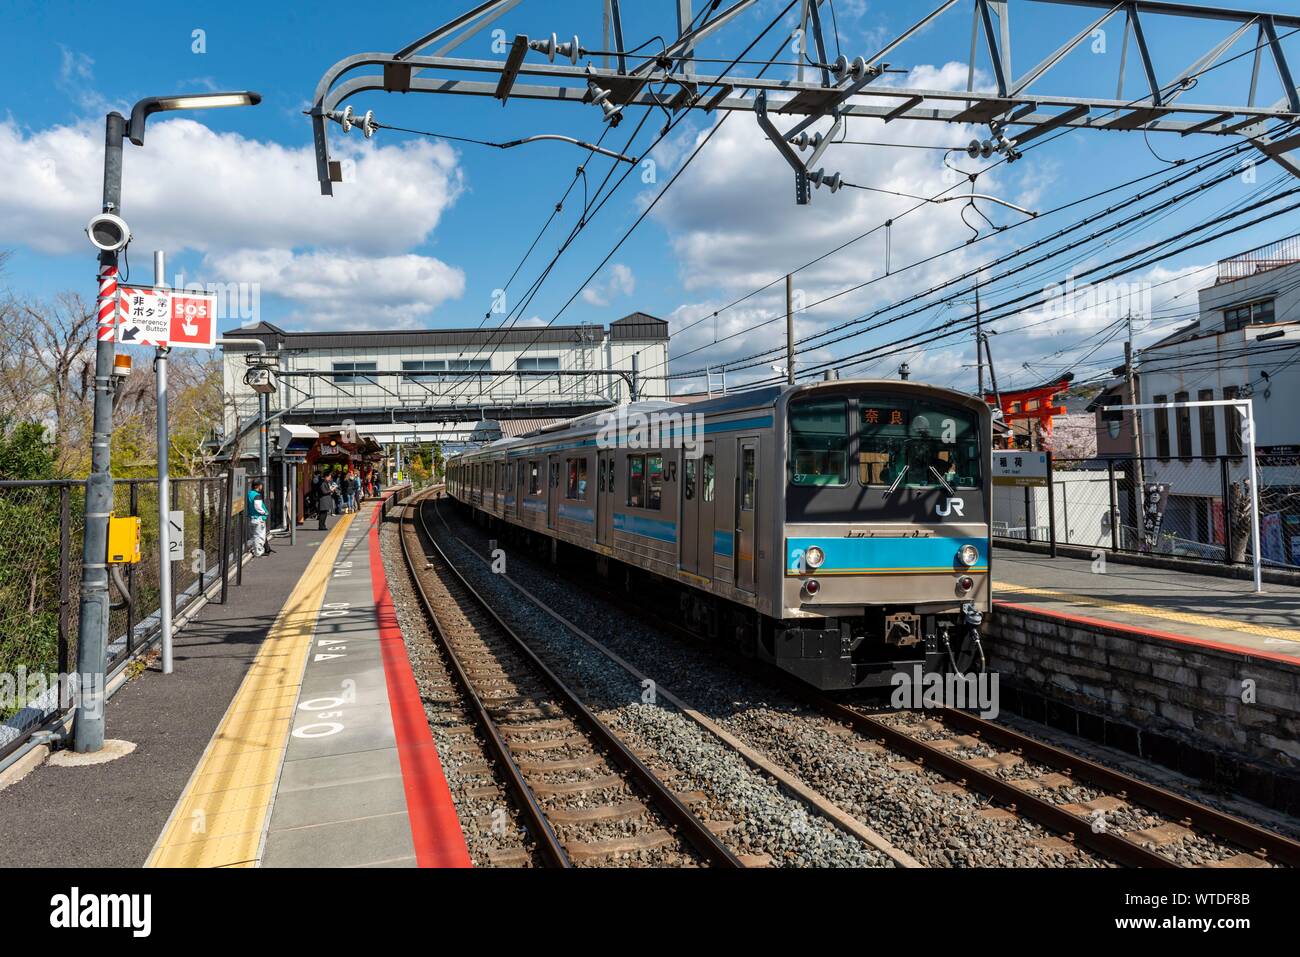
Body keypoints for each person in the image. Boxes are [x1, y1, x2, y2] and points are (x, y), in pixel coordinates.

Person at [248, 480, 272, 556]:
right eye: (261, 485)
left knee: (255, 535)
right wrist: (264, 512)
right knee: (260, 536)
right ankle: (259, 552)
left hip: (252, 517)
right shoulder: (257, 495)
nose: (262, 486)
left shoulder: (249, 494)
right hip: (259, 518)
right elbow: (258, 507)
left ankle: (256, 550)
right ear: (257, 486)